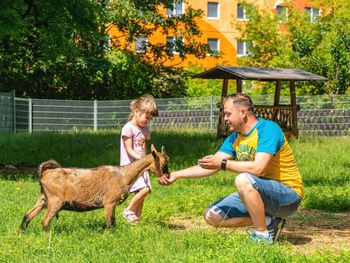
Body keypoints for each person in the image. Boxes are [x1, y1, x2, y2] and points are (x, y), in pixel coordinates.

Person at [158, 93, 303, 244]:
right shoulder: (234, 138)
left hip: (288, 196)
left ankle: (262, 235)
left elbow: (258, 168)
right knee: (212, 216)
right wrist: (176, 174)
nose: (225, 118)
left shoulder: (268, 129)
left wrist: (222, 164)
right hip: (259, 192)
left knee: (243, 179)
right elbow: (210, 166)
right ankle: (268, 221)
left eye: (228, 113)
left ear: (242, 112)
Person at [120, 94, 158, 223]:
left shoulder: (145, 129)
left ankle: (136, 220)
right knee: (145, 189)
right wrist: (143, 160)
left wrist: (147, 162)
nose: (148, 121)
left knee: (142, 195)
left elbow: (143, 147)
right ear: (136, 111)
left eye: (150, 119)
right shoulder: (128, 128)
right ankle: (128, 211)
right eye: (146, 117)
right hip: (130, 166)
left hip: (143, 165)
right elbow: (129, 149)